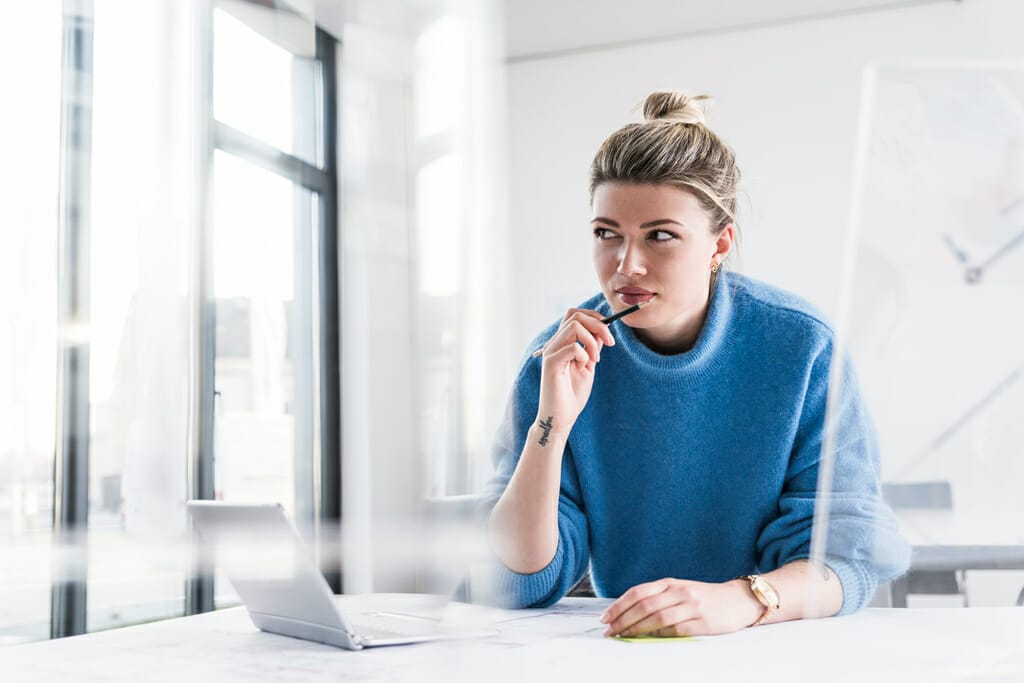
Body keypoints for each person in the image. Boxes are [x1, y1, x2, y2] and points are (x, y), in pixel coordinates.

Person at [481, 91, 909, 637]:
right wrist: (552, 425)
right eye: (605, 233)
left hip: (773, 643)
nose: (625, 265)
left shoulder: (803, 348)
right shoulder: (557, 357)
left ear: (719, 244)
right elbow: (521, 580)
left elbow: (846, 559)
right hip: (623, 646)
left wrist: (743, 599)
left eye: (660, 236)